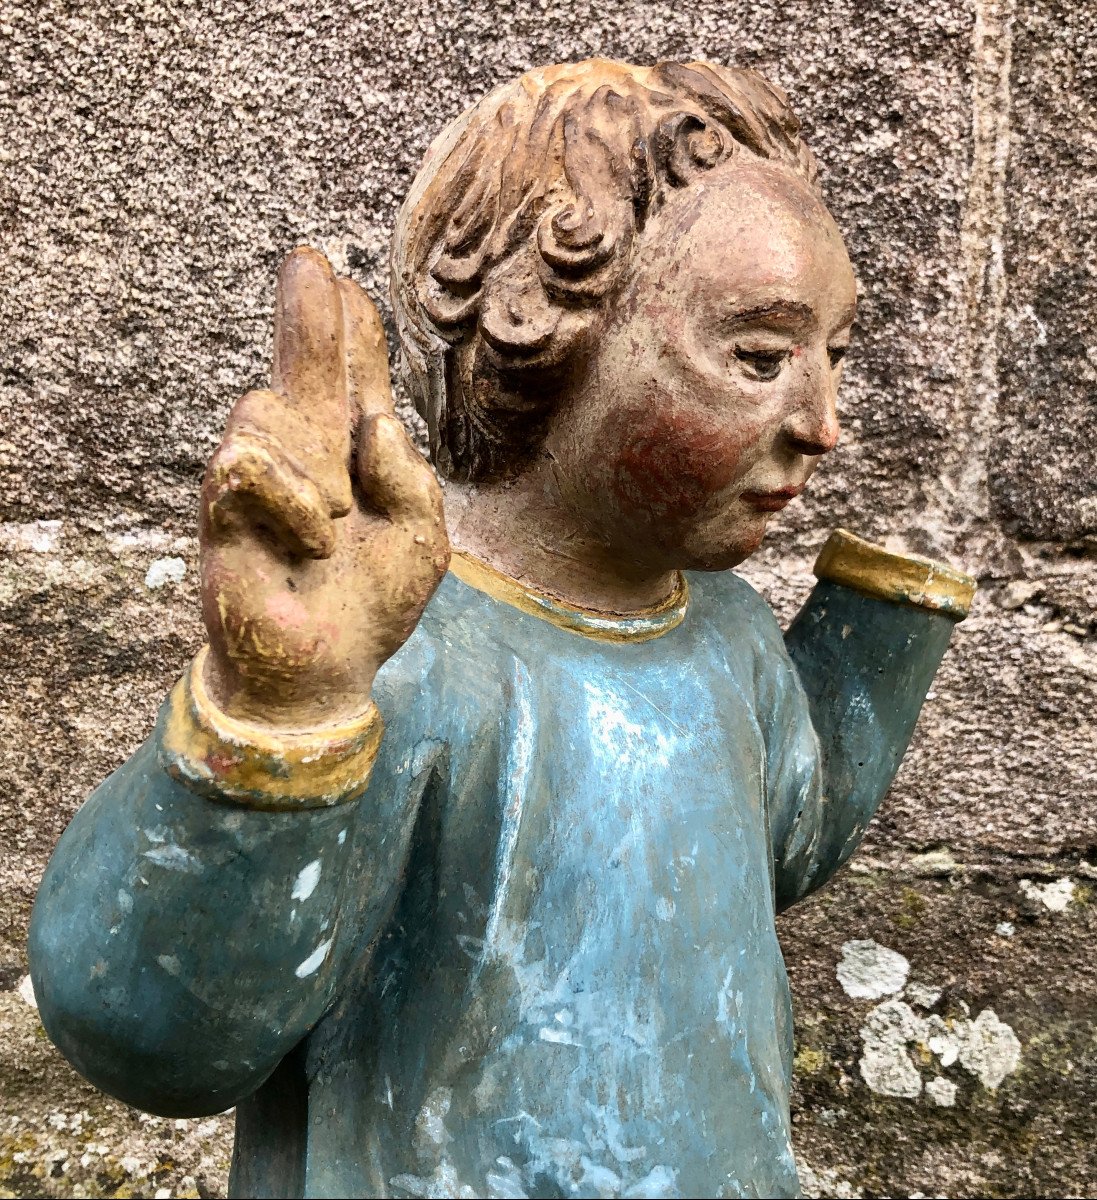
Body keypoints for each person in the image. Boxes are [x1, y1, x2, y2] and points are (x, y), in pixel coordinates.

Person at [29, 59, 975, 1199]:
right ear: (538, 318)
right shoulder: (413, 660)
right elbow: (156, 1029)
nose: (821, 423)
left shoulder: (727, 640)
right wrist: (276, 719)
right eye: (759, 357)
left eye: (836, 357)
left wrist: (884, 626)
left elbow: (789, 836)